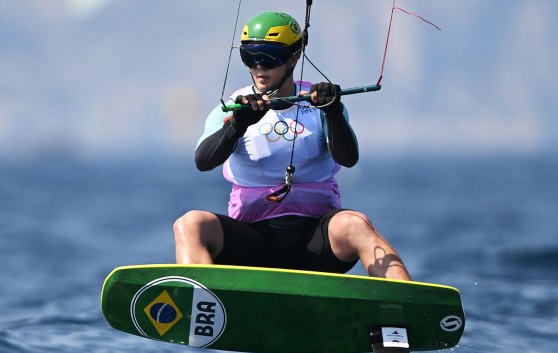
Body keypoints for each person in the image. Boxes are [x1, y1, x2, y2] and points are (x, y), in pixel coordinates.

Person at [173, 11, 411, 280]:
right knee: (190, 224)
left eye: (269, 57)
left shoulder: (321, 104)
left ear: (293, 57)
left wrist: (333, 112)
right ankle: (203, 302)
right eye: (250, 57)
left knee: (356, 224)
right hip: (254, 242)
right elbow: (203, 162)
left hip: (316, 241)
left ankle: (403, 303)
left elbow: (349, 158)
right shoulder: (231, 108)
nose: (259, 68)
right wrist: (236, 126)